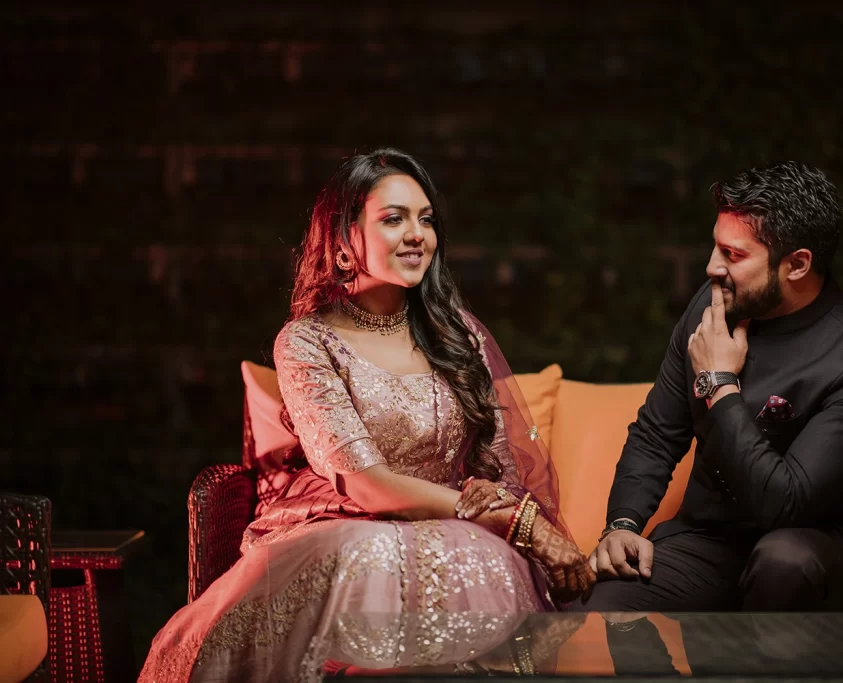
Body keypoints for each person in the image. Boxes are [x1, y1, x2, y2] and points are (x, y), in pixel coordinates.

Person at [139, 148, 595, 682]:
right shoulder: (307, 342)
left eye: (426, 219)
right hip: (343, 524)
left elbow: (497, 471)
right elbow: (365, 483)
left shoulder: (457, 335)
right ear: (342, 243)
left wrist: (503, 516)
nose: (417, 235)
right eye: (393, 219)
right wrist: (494, 516)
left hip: (456, 529)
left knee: (475, 560)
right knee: (369, 556)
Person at [574, 161, 843, 615]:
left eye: (733, 255)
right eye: (716, 247)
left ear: (798, 264)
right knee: (604, 600)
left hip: (813, 550)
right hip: (712, 542)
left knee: (782, 562)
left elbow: (786, 506)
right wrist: (622, 524)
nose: (712, 267)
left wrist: (720, 384)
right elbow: (656, 433)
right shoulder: (711, 310)